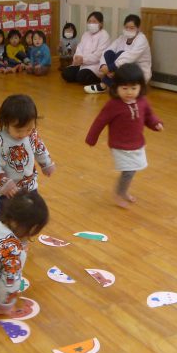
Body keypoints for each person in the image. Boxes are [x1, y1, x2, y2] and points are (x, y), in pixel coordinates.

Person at [85, 64, 163, 208]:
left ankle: (124, 191)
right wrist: (92, 137)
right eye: (124, 88)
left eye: (133, 88)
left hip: (136, 143)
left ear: (141, 87)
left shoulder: (142, 102)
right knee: (128, 172)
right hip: (120, 145)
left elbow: (149, 116)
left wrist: (156, 124)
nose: (129, 92)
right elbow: (100, 121)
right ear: (116, 87)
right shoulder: (113, 105)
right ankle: (119, 193)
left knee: (132, 170)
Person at [0, 94, 56, 220]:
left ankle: (22, 238)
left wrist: (46, 163)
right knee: (3, 222)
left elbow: (40, 149)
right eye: (18, 131)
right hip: (7, 192)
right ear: (6, 122)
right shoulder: (0, 141)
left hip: (29, 187)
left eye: (29, 129)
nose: (24, 134)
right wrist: (5, 184)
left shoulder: (32, 134)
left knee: (28, 219)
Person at [85, 14, 152, 94]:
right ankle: (110, 84)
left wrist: (110, 68)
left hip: (137, 71)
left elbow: (129, 58)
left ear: (138, 28)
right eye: (126, 27)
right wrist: (103, 66)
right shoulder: (122, 38)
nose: (128, 30)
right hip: (121, 68)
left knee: (121, 54)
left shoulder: (141, 39)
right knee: (109, 53)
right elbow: (107, 50)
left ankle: (104, 85)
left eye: (131, 28)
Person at [61, 11, 110, 85]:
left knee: (82, 76)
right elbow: (79, 48)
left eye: (94, 22)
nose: (91, 24)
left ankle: (98, 80)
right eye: (89, 22)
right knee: (66, 73)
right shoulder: (86, 34)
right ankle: (80, 76)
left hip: (95, 65)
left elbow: (99, 55)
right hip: (82, 63)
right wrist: (77, 57)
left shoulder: (104, 35)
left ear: (101, 24)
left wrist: (83, 59)